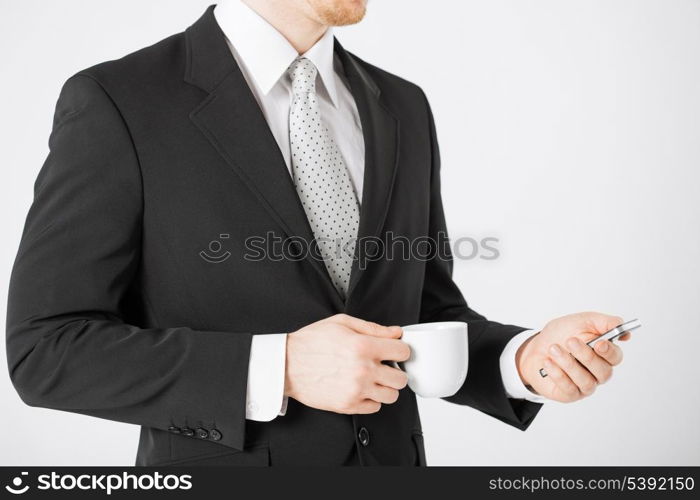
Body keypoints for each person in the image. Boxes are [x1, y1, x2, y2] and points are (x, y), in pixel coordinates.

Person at [6, 0, 629, 466]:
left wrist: (523, 359)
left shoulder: (402, 104)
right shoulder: (119, 100)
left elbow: (422, 312)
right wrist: (279, 369)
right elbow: (46, 351)